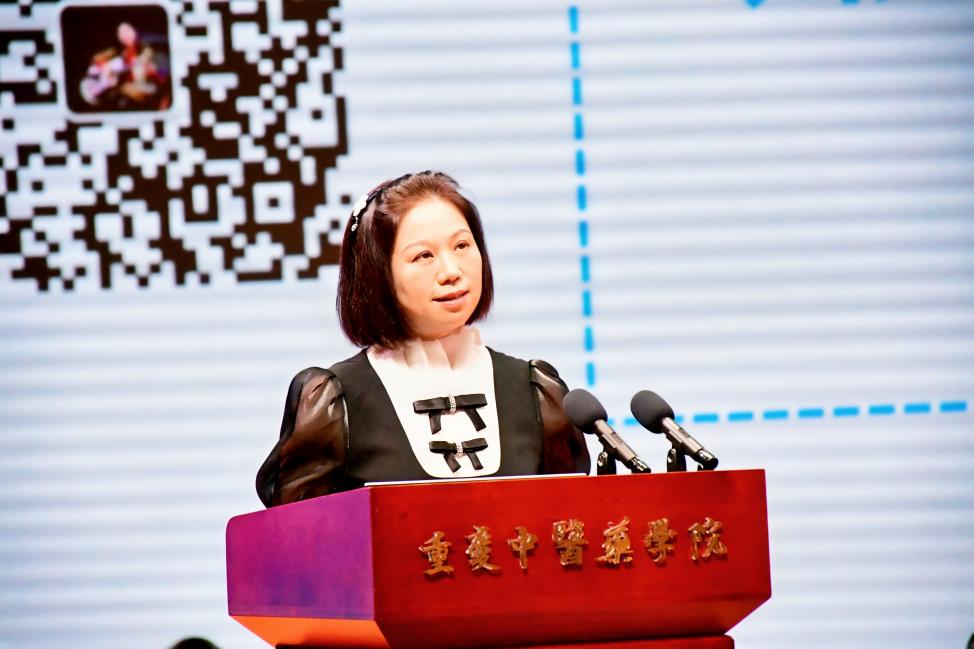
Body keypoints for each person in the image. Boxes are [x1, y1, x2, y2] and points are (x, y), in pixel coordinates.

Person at [256, 171, 590, 507]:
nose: (452, 272)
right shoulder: (335, 402)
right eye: (424, 256)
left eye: (462, 246)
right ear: (377, 273)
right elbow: (298, 533)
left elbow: (572, 520)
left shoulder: (535, 392)